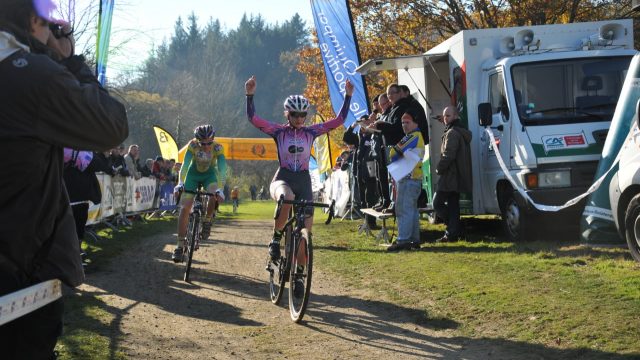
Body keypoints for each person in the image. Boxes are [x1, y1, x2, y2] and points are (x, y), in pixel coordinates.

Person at [0, 1, 128, 357]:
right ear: (32, 22)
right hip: (19, 274)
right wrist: (71, 61)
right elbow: (111, 124)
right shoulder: (28, 74)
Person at [244, 75, 353, 281]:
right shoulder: (278, 131)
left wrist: (347, 96)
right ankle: (276, 240)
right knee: (287, 195)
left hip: (304, 181)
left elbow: (339, 121)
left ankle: (300, 277)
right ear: (287, 114)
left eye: (303, 114)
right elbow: (253, 119)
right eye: (295, 114)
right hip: (283, 177)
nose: (299, 119)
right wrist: (249, 95)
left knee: (305, 236)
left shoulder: (312, 131)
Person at [172, 125, 226, 262]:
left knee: (213, 193)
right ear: (197, 140)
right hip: (192, 175)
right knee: (184, 208)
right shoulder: (192, 145)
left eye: (209, 142)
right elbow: (185, 165)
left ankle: (207, 220)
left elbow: (222, 168)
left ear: (213, 139)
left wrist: (221, 188)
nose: (206, 146)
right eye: (203, 143)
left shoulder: (218, 148)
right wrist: (180, 183)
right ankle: (179, 245)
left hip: (209, 175)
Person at [386, 109, 426, 251]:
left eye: (407, 122)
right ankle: (414, 240)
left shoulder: (411, 137)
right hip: (415, 179)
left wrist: (395, 152)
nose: (404, 125)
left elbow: (392, 153)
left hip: (407, 179)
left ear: (415, 123)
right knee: (412, 210)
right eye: (402, 122)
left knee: (403, 209)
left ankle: (403, 239)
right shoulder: (419, 136)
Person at [433, 106, 472, 242]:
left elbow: (449, 155)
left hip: (450, 175)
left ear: (456, 116)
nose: (445, 118)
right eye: (444, 116)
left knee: (436, 203)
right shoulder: (458, 130)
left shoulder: (452, 133)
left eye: (448, 116)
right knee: (453, 206)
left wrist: (439, 168)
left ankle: (455, 228)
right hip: (457, 175)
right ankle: (453, 234)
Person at [342, 114, 379, 229]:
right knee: (361, 196)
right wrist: (353, 125)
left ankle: (372, 221)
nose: (365, 124)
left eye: (367, 121)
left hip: (370, 167)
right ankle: (366, 220)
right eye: (363, 122)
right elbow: (346, 137)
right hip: (359, 168)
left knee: (370, 195)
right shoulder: (358, 135)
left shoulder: (374, 133)